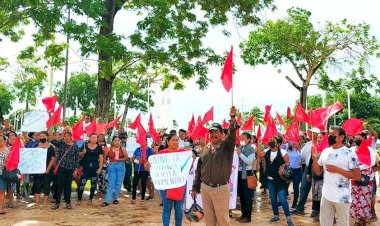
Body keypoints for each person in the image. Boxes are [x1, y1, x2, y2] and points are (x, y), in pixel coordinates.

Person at [191, 106, 237, 226]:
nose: (213, 134)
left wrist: (232, 118)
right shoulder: (205, 148)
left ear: (222, 134)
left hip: (220, 189)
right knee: (209, 221)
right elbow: (199, 170)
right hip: (205, 189)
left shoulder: (227, 146)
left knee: (223, 221)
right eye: (211, 132)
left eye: (216, 131)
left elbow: (232, 134)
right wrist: (195, 187)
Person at [311, 126, 361, 226]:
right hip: (326, 195)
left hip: (342, 197)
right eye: (329, 134)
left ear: (341, 137)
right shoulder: (326, 151)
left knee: (342, 223)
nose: (329, 136)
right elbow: (317, 172)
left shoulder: (350, 153)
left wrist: (337, 170)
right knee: (325, 223)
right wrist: (315, 158)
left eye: (332, 135)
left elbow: (357, 175)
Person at [146, 133, 186, 226]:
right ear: (168, 142)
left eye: (177, 140)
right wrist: (151, 162)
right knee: (167, 208)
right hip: (166, 186)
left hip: (179, 185)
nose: (176, 142)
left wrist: (191, 158)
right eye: (173, 140)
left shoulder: (183, 153)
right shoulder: (162, 153)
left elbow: (188, 166)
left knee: (179, 209)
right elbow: (148, 167)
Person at [260, 136, 294, 226]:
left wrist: (283, 165)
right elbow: (259, 155)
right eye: (271, 140)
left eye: (273, 141)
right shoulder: (266, 151)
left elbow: (288, 162)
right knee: (273, 199)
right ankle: (276, 216)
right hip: (270, 180)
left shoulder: (283, 152)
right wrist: (259, 145)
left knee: (282, 200)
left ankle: (289, 219)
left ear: (278, 144)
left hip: (280, 180)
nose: (271, 141)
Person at [349, 132, 376, 225]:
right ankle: (359, 218)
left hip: (366, 178)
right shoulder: (352, 149)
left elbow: (371, 163)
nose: (356, 138)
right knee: (355, 198)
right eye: (355, 137)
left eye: (359, 137)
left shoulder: (369, 149)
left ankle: (364, 218)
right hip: (354, 178)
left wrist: (357, 168)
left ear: (364, 138)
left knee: (365, 198)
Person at [292, 127, 320, 215]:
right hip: (307, 168)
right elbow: (302, 156)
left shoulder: (321, 144)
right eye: (309, 132)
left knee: (316, 190)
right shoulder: (308, 144)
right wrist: (299, 148)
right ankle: (300, 208)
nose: (309, 133)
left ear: (317, 134)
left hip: (318, 168)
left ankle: (316, 210)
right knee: (303, 188)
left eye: (312, 132)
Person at [51, 132, 81, 210]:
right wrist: (50, 132)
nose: (66, 137)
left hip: (70, 168)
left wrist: (76, 170)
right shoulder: (61, 143)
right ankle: (57, 203)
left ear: (71, 137)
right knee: (59, 185)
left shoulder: (75, 146)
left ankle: (68, 203)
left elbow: (77, 159)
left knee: (68, 186)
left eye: (68, 136)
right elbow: (53, 141)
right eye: (65, 136)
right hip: (61, 167)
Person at [77, 133, 104, 205]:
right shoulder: (85, 145)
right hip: (85, 168)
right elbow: (79, 155)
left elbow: (101, 158)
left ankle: (90, 199)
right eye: (92, 137)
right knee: (82, 184)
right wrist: (83, 152)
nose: (94, 139)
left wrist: (100, 168)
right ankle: (79, 199)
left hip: (95, 168)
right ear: (89, 138)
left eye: (95, 137)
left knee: (93, 184)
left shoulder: (99, 147)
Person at [235, 132, 256, 223]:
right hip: (240, 174)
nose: (241, 140)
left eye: (243, 138)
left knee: (247, 196)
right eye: (240, 138)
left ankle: (248, 216)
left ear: (248, 140)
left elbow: (249, 162)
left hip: (247, 174)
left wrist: (240, 154)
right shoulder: (240, 147)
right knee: (242, 196)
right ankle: (243, 214)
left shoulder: (251, 149)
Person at [101, 136, 127, 207]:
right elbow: (104, 158)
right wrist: (108, 164)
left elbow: (126, 158)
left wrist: (119, 160)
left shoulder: (122, 148)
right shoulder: (109, 149)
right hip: (112, 166)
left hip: (121, 166)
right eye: (115, 140)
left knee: (118, 183)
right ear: (112, 141)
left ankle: (115, 198)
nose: (117, 142)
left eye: (118, 140)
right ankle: (107, 200)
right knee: (111, 183)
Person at [32, 131, 56, 206]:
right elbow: (32, 155)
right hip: (38, 170)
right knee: (37, 185)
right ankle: (37, 202)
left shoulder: (51, 147)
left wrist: (48, 168)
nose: (42, 138)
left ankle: (45, 202)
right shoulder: (36, 145)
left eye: (44, 136)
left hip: (47, 169)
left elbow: (53, 159)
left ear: (47, 137)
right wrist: (37, 149)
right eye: (41, 136)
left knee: (46, 185)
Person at [130, 139, 154, 204]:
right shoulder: (137, 149)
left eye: (144, 141)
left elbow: (151, 159)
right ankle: (133, 198)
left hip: (145, 169)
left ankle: (142, 198)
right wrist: (136, 161)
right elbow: (132, 158)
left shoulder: (149, 150)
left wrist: (144, 161)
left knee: (143, 183)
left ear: (146, 142)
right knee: (135, 183)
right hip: (137, 169)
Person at [287, 141, 302, 211]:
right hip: (289, 171)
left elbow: (304, 158)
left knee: (295, 187)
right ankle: (282, 201)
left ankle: (294, 203)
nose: (294, 143)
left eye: (296, 142)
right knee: (284, 186)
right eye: (293, 142)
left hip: (297, 171)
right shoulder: (288, 150)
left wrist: (299, 149)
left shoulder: (300, 151)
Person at [0, 135, 10, 215]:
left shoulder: (8, 151)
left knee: (2, 191)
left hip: (3, 173)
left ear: (4, 141)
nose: (0, 141)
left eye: (1, 140)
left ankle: (0, 208)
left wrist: (7, 162)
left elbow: (11, 163)